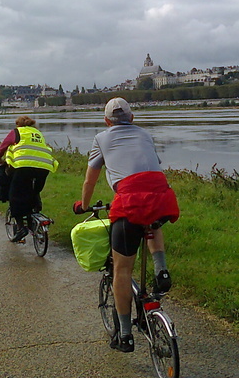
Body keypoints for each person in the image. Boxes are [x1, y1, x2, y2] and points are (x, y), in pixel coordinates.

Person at [73, 97, 180, 353]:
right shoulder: (144, 134)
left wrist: (83, 205)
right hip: (163, 196)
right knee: (152, 219)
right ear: (132, 118)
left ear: (106, 121)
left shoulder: (101, 137)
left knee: (122, 270)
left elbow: (90, 181)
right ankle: (161, 269)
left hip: (129, 201)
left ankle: (124, 335)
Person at [0, 115, 58, 243]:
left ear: (18, 125)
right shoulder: (37, 133)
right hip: (44, 167)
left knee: (15, 196)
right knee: (33, 191)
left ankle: (20, 228)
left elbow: (3, 147)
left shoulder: (16, 132)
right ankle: (35, 213)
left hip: (24, 167)